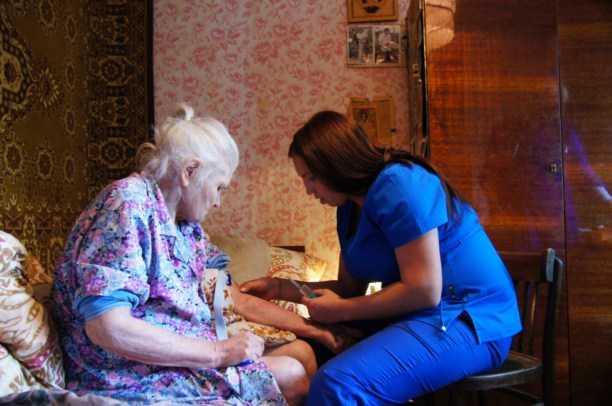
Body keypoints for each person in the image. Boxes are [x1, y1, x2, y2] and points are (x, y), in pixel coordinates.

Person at [52, 104, 349, 406]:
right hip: (124, 372)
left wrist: (316, 330)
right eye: (219, 187)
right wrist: (219, 353)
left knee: (300, 357)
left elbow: (234, 296)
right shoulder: (127, 203)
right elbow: (107, 327)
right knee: (290, 373)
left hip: (176, 358)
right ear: (189, 171)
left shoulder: (186, 227)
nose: (218, 202)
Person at [240, 110, 523, 404]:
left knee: (337, 384)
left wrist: (342, 310)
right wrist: (280, 287)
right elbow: (348, 288)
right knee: (309, 348)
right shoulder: (348, 208)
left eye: (311, 178)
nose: (308, 190)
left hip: (469, 318)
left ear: (336, 164)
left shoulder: (400, 183)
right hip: (419, 314)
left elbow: (424, 291)